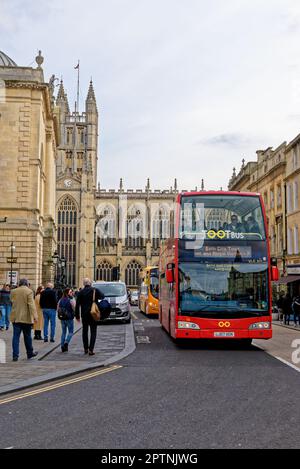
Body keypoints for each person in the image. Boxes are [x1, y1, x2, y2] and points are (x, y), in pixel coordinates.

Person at [10, 278, 38, 362]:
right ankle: (29, 353)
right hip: (26, 318)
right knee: (27, 336)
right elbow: (31, 305)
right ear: (26, 284)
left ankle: (15, 355)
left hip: (16, 317)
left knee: (15, 337)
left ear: (19, 283)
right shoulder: (29, 291)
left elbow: (11, 301)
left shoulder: (13, 291)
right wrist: (35, 316)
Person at [75, 278, 104, 356]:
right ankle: (91, 349)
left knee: (85, 331)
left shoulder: (80, 292)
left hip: (84, 314)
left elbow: (77, 305)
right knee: (93, 331)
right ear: (90, 283)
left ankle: (85, 349)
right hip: (93, 313)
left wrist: (77, 316)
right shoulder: (94, 290)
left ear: (84, 284)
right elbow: (102, 296)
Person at [57, 288, 75, 352]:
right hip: (69, 318)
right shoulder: (70, 300)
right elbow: (74, 308)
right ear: (67, 293)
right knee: (71, 332)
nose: (71, 293)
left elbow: (58, 309)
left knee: (63, 332)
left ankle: (62, 346)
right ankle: (66, 342)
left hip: (62, 318)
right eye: (70, 292)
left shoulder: (60, 300)